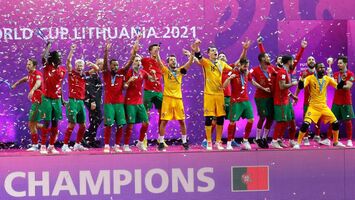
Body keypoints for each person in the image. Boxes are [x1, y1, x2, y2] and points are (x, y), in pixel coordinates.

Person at [191, 39, 233, 150]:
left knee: (220, 119)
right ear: (209, 54)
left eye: (216, 50)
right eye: (212, 51)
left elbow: (233, 70)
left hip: (220, 95)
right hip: (209, 94)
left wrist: (231, 75)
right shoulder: (205, 62)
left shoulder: (222, 63)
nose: (215, 52)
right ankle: (209, 141)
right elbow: (198, 56)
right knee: (209, 118)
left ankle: (218, 142)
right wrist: (197, 47)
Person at [294, 62, 346, 148]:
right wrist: (302, 78)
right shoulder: (310, 78)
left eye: (323, 67)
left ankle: (336, 142)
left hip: (324, 107)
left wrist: (343, 80)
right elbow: (301, 86)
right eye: (320, 68)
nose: (322, 69)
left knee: (335, 123)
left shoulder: (327, 78)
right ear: (316, 69)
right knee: (305, 124)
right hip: (313, 107)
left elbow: (338, 87)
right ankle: (298, 143)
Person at [223, 58, 270, 150]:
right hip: (235, 101)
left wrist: (263, 88)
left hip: (246, 101)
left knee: (251, 119)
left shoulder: (247, 73)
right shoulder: (232, 72)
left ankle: (245, 140)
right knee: (232, 122)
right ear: (239, 65)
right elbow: (223, 86)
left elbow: (253, 82)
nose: (246, 68)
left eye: (247, 66)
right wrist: (229, 78)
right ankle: (228, 143)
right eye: (244, 66)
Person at [102, 38, 139, 153]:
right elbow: (104, 63)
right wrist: (106, 52)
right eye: (114, 65)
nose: (116, 67)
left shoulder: (121, 73)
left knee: (120, 125)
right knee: (108, 124)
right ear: (110, 66)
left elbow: (129, 63)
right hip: (109, 103)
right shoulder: (106, 73)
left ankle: (117, 145)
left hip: (119, 103)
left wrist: (134, 53)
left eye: (117, 65)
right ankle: (107, 145)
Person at [61, 44, 99, 152]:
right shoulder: (71, 73)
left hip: (81, 102)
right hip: (72, 101)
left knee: (83, 125)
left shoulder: (84, 75)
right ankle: (65, 145)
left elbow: (96, 69)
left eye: (81, 65)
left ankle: (77, 144)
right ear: (75, 66)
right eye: (78, 65)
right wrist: (72, 51)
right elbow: (68, 62)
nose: (79, 67)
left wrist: (92, 64)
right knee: (72, 124)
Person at [156, 49, 194, 151]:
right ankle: (161, 142)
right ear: (168, 63)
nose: (173, 61)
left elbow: (189, 63)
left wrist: (192, 53)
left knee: (182, 121)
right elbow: (159, 63)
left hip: (178, 100)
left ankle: (184, 141)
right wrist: (158, 53)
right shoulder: (165, 71)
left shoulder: (180, 71)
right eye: (171, 60)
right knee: (164, 121)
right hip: (167, 99)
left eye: (174, 60)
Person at [124, 54, 156, 152]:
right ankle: (126, 145)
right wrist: (129, 81)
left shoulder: (142, 72)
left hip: (139, 102)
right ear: (132, 63)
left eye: (139, 61)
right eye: (136, 61)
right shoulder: (128, 73)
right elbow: (124, 87)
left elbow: (152, 79)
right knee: (130, 125)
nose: (138, 62)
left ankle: (140, 142)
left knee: (146, 123)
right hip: (130, 103)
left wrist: (153, 74)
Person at [39, 41, 67, 154]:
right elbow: (43, 57)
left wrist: (62, 99)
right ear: (53, 58)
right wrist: (48, 47)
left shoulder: (62, 70)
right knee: (46, 122)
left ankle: (51, 146)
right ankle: (42, 146)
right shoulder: (47, 67)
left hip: (57, 99)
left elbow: (59, 85)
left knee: (55, 123)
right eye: (59, 56)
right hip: (46, 98)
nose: (60, 58)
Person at [321, 56, 354, 147]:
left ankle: (349, 140)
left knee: (347, 121)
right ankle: (328, 139)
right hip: (336, 102)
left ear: (345, 63)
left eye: (340, 63)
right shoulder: (335, 74)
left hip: (346, 102)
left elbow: (348, 87)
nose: (339, 64)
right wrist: (330, 77)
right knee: (333, 120)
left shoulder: (350, 74)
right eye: (338, 63)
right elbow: (334, 85)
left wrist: (338, 85)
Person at [11, 58, 44, 151]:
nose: (27, 66)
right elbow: (25, 79)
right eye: (27, 64)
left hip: (39, 102)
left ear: (34, 66)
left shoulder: (38, 74)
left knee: (31, 124)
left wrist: (32, 90)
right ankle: (52, 131)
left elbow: (39, 82)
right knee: (33, 124)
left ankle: (35, 145)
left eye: (29, 64)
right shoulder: (30, 75)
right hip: (36, 102)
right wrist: (16, 84)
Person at [271, 55, 298, 149]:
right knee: (281, 121)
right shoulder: (282, 72)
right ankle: (274, 141)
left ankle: (279, 139)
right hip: (281, 101)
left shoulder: (286, 72)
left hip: (286, 100)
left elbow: (285, 89)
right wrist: (292, 84)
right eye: (292, 61)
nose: (293, 63)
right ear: (288, 62)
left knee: (287, 121)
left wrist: (293, 96)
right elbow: (282, 87)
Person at [250, 52, 276, 148]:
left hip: (271, 97)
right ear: (262, 59)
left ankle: (264, 138)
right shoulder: (255, 70)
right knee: (263, 116)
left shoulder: (271, 69)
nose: (269, 58)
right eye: (267, 57)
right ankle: (257, 138)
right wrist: (262, 88)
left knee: (270, 117)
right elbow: (249, 78)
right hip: (260, 97)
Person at [294, 56, 322, 145]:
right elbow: (299, 86)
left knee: (318, 119)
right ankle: (305, 137)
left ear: (315, 61)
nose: (311, 61)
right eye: (309, 59)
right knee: (306, 120)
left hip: (318, 101)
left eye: (313, 59)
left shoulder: (319, 73)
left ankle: (317, 136)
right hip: (307, 101)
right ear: (306, 63)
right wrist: (295, 96)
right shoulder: (303, 73)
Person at [142, 43, 164, 147]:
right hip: (148, 91)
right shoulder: (145, 60)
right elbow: (135, 63)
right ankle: (144, 138)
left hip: (159, 91)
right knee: (146, 114)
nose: (156, 51)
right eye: (155, 50)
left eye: (158, 50)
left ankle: (160, 138)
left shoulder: (161, 63)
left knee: (162, 115)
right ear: (150, 51)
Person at [82, 58, 104, 148]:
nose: (100, 65)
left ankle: (91, 139)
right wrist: (93, 101)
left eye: (102, 64)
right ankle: (84, 137)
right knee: (97, 118)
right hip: (91, 100)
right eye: (98, 64)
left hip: (96, 100)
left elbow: (98, 88)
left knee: (95, 119)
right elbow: (89, 88)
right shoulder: (92, 73)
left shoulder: (98, 74)